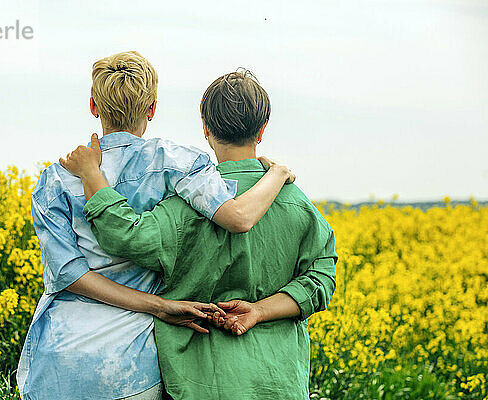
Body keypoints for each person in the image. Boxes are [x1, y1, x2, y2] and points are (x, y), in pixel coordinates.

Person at [17, 52, 295, 400]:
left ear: (93, 105)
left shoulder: (55, 180)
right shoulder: (178, 164)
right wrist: (278, 173)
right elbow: (237, 217)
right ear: (152, 108)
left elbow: (70, 276)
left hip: (56, 364)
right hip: (131, 367)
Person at [61, 70, 338, 400]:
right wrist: (260, 310)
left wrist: (93, 177)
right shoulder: (297, 203)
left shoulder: (185, 207)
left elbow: (123, 236)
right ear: (262, 130)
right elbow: (321, 279)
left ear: (205, 128)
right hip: (279, 383)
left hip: (201, 383)